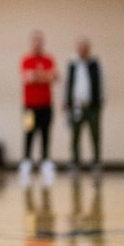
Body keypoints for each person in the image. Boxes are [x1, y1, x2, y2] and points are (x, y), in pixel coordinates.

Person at [20, 30, 57, 185]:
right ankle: (27, 162)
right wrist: (43, 75)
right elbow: (26, 77)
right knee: (29, 133)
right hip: (29, 106)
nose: (37, 44)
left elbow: (53, 76)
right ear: (31, 43)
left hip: (46, 105)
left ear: (42, 43)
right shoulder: (26, 59)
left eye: (39, 41)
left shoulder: (49, 59)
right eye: (34, 41)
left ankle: (46, 161)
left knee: (45, 133)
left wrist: (38, 75)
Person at [65, 36, 104, 172]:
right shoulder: (72, 64)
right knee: (75, 135)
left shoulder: (94, 64)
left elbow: (100, 84)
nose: (82, 50)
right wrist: (67, 101)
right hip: (76, 105)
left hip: (92, 105)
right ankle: (75, 162)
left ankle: (96, 162)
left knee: (95, 134)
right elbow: (68, 84)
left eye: (85, 47)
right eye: (80, 47)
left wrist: (99, 101)